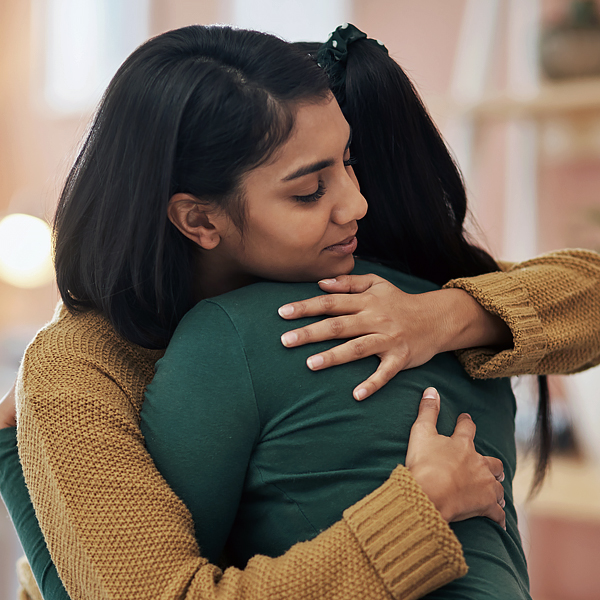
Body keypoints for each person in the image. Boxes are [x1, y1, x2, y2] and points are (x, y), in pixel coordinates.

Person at [1, 21, 599, 600]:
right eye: (308, 191)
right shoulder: (80, 368)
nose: (357, 203)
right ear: (199, 219)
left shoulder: (357, 282)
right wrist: (422, 505)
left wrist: (443, 316)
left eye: (349, 162)